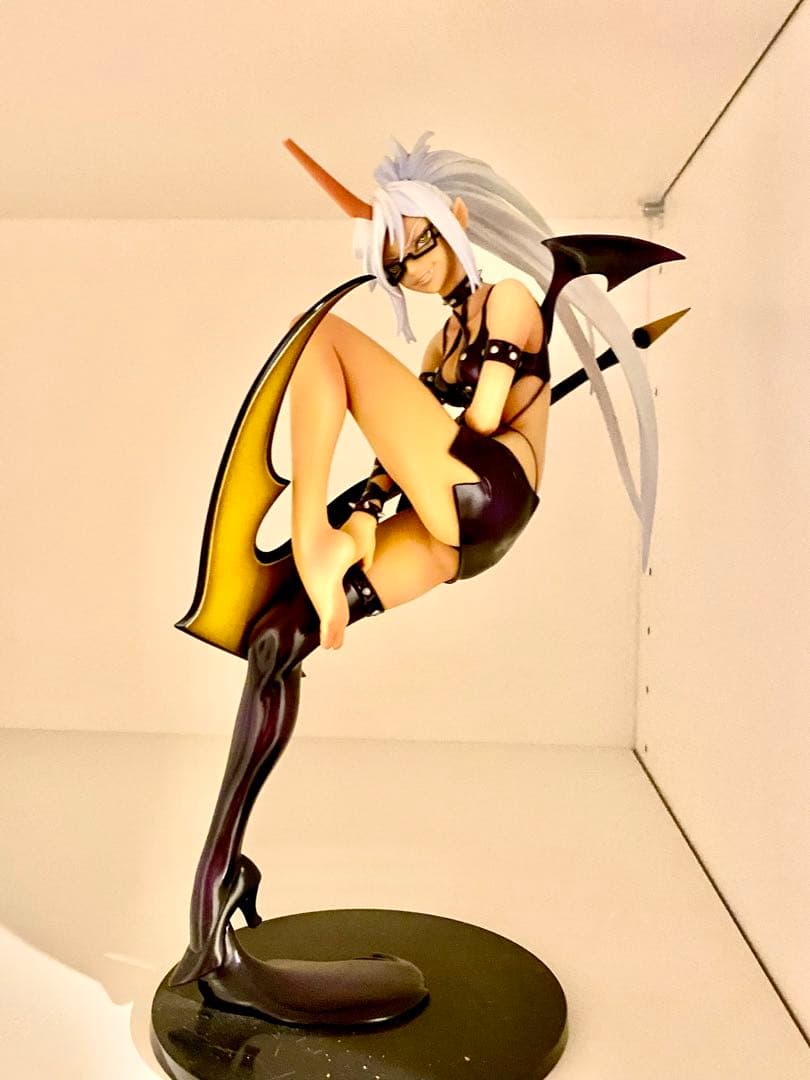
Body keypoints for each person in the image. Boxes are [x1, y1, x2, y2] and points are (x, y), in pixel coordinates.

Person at [167, 134, 681, 1025]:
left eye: (419, 246)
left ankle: (311, 537)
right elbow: (403, 446)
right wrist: (368, 513)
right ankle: (216, 899)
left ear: (457, 220)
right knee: (279, 638)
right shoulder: (447, 335)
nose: (411, 271)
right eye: (394, 265)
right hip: (452, 531)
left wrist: (361, 498)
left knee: (322, 341)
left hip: (488, 491)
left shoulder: (513, 301)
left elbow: (475, 422)